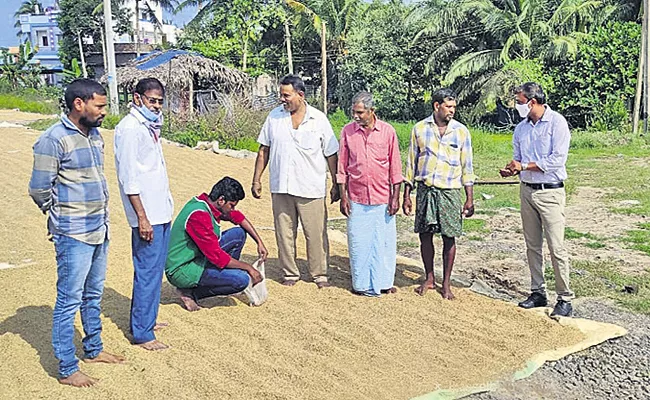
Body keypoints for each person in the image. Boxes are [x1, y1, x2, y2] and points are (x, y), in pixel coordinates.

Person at [28, 79, 125, 387]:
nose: (104, 112)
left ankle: (93, 349)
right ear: (78, 104)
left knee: (93, 294)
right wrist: (59, 215)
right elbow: (38, 188)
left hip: (100, 227)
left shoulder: (95, 136)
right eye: (99, 105)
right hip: (73, 233)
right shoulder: (54, 139)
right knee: (69, 299)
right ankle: (68, 368)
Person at [251, 75, 340, 288]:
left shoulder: (319, 120)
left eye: (286, 95)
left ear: (300, 95)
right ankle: (290, 273)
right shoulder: (274, 118)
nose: (282, 99)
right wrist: (256, 179)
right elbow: (264, 149)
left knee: (316, 233)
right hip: (281, 185)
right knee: (284, 232)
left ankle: (319, 273)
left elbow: (331, 154)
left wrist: (336, 184)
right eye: (281, 95)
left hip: (311, 187)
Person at [499, 82, 574, 317]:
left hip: (550, 191)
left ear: (532, 102)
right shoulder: (521, 129)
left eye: (520, 102)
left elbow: (557, 160)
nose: (517, 106)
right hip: (527, 190)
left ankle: (564, 298)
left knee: (556, 246)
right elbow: (518, 158)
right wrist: (513, 168)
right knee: (532, 245)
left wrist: (525, 165)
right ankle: (538, 291)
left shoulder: (557, 123)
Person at [114, 78, 173, 351]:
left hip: (161, 209)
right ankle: (142, 333)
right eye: (152, 100)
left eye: (160, 101)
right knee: (147, 271)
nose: (156, 106)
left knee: (154, 270)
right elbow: (129, 179)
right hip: (146, 214)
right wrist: (142, 217)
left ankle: (146, 320)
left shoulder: (149, 126)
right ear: (137, 98)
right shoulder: (129, 129)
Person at [403, 88, 475, 300]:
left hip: (450, 191)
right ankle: (429, 278)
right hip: (426, 190)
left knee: (449, 237)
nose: (452, 110)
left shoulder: (461, 132)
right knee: (425, 235)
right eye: (448, 106)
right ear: (437, 106)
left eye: (454, 107)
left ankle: (447, 283)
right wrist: (407, 194)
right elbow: (411, 163)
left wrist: (469, 197)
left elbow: (467, 165)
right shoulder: (420, 129)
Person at [165, 177, 268, 311]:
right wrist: (248, 268)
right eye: (232, 205)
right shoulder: (199, 215)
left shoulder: (206, 203)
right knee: (241, 280)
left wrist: (259, 241)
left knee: (238, 234)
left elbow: (238, 217)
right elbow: (217, 257)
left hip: (197, 257)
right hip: (182, 269)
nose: (233, 209)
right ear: (221, 200)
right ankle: (190, 293)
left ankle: (223, 277)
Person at [337, 91, 403, 296]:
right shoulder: (347, 132)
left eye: (360, 112)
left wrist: (395, 197)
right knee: (359, 243)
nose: (356, 116)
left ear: (372, 111)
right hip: (356, 198)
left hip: (383, 198)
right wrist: (343, 196)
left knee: (383, 243)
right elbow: (342, 167)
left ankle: (384, 282)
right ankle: (361, 284)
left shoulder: (388, 132)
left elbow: (395, 168)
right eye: (353, 112)